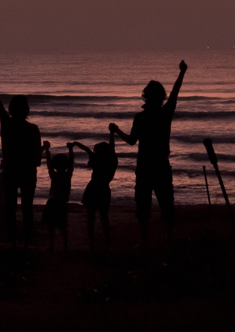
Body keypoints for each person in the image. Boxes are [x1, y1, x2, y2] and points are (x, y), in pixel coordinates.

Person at [110, 59, 188, 245]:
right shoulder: (165, 113)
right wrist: (182, 73)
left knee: (143, 207)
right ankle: (168, 238)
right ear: (160, 97)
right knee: (166, 205)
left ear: (146, 97)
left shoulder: (141, 117)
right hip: (160, 165)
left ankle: (145, 241)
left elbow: (131, 141)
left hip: (145, 167)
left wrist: (116, 130)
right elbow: (175, 94)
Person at [0, 67, 41, 244]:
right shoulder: (33, 129)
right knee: (27, 207)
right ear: (26, 110)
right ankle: (27, 236)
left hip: (11, 170)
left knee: (11, 207)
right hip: (28, 171)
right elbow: (37, 156)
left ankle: (12, 236)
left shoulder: (7, 123)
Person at [71, 128, 118, 251]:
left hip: (93, 188)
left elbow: (86, 149)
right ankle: (107, 244)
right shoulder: (111, 161)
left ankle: (91, 244)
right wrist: (112, 133)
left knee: (91, 217)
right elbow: (112, 147)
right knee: (104, 218)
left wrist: (75, 144)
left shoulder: (96, 160)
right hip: (104, 189)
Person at [41, 140, 74, 251]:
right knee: (63, 225)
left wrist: (47, 150)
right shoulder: (67, 175)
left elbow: (49, 165)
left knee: (51, 225)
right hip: (61, 202)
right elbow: (71, 164)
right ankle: (65, 245)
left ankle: (51, 244)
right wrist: (71, 150)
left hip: (52, 200)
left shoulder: (54, 175)